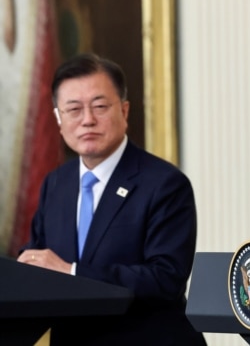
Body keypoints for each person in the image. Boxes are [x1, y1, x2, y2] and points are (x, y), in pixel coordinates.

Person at [17, 53, 206, 345]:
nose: (88, 120)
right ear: (58, 118)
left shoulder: (165, 184)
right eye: (74, 109)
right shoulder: (56, 184)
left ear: (125, 110)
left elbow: (165, 279)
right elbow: (36, 263)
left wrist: (72, 272)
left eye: (100, 106)